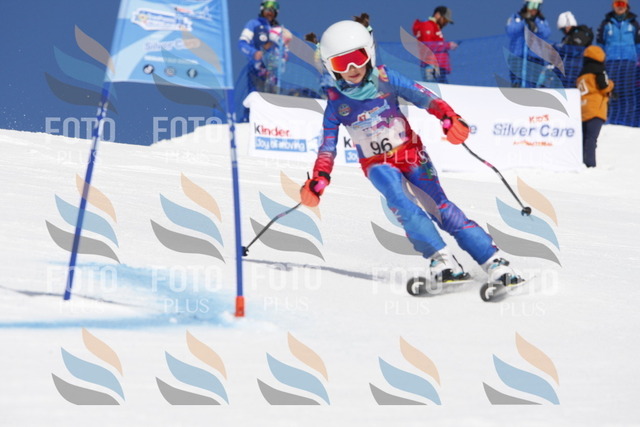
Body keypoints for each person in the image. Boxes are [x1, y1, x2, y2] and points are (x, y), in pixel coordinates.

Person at [300, 20, 522, 286]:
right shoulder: (336, 104)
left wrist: (449, 117)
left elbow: (424, 96)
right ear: (330, 66)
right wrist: (319, 179)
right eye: (341, 63)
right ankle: (441, 259)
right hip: (376, 163)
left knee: (440, 208)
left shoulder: (385, 78)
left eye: (357, 58)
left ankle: (493, 260)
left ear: (369, 53)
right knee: (401, 202)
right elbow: (327, 147)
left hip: (410, 154)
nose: (351, 69)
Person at [596, 0, 640, 125]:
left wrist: (637, 59)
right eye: (617, 4)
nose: (620, 7)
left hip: (628, 62)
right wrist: (601, 60)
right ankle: (611, 120)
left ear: (627, 6)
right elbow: (600, 44)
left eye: (622, 4)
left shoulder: (634, 24)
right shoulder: (606, 23)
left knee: (628, 91)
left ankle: (628, 121)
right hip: (611, 62)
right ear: (613, 6)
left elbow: (638, 44)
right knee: (611, 91)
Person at [238, 1, 290, 94]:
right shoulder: (254, 24)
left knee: (272, 99)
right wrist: (254, 53)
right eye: (267, 10)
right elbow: (242, 43)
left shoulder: (278, 29)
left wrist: (284, 57)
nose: (270, 13)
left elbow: (285, 52)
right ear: (262, 10)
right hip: (256, 71)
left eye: (273, 11)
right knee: (256, 97)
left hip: (273, 74)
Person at [577, 46, 614, 167]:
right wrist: (611, 85)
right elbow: (604, 86)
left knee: (584, 138)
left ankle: (581, 162)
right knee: (592, 139)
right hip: (596, 108)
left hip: (583, 108)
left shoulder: (581, 73)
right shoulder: (599, 70)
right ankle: (590, 164)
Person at [505, 0, 551, 87]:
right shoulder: (516, 17)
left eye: (537, 6)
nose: (534, 9)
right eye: (532, 5)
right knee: (517, 82)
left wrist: (535, 22)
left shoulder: (541, 20)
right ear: (526, 5)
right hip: (518, 56)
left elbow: (546, 33)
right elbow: (510, 30)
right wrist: (523, 21)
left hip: (535, 57)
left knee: (532, 82)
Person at [412, 6, 458, 83]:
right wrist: (448, 45)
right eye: (445, 20)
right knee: (434, 89)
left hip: (438, 67)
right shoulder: (428, 25)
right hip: (431, 65)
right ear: (437, 15)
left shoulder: (435, 27)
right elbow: (427, 45)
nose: (445, 23)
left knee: (444, 89)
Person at [555, 11, 594, 88]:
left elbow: (576, 49)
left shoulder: (580, 33)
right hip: (568, 69)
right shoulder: (567, 38)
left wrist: (562, 48)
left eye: (563, 29)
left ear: (568, 26)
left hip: (577, 68)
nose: (564, 32)